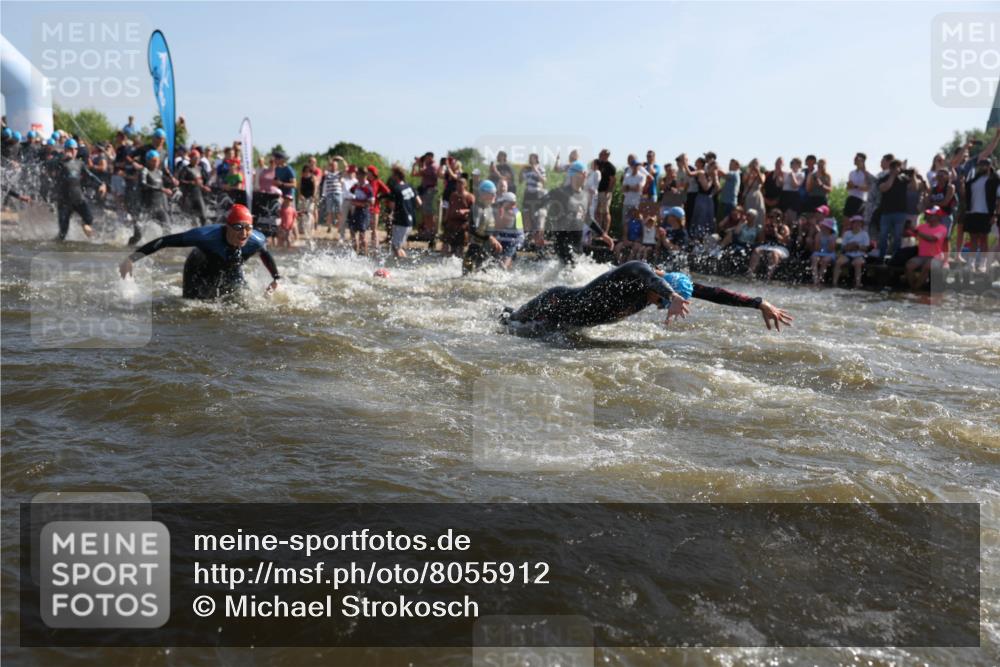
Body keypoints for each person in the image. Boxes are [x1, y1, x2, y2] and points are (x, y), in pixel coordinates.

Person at [501, 260, 793, 335]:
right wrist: (672, 296)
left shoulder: (663, 287)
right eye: (659, 300)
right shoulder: (636, 271)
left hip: (566, 326)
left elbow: (714, 293)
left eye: (662, 304)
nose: (656, 305)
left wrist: (758, 303)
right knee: (507, 325)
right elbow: (653, 279)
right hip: (554, 304)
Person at [119, 204, 281, 300]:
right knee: (192, 306)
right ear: (227, 227)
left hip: (231, 266)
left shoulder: (256, 240)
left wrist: (275, 278)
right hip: (198, 268)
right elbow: (165, 241)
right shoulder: (205, 236)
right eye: (238, 227)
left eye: (248, 228)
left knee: (241, 299)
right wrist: (131, 259)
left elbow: (265, 254)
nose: (244, 234)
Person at [540, 160, 614, 264]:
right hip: (563, 243)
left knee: (578, 267)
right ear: (577, 174)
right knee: (570, 267)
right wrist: (540, 228)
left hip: (577, 244)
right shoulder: (560, 192)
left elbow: (586, 217)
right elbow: (542, 206)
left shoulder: (584, 196)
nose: (586, 176)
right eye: (584, 173)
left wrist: (603, 234)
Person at [49, 138, 106, 240]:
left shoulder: (79, 163)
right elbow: (50, 164)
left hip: (78, 199)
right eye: (70, 149)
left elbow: (90, 175)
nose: (73, 151)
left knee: (89, 219)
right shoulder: (59, 163)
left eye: (75, 149)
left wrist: (101, 184)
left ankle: (84, 226)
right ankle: (53, 246)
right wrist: (61, 158)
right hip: (64, 201)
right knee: (63, 233)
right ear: (65, 150)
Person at [462, 180, 503, 274]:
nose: (495, 196)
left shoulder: (488, 208)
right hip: (474, 251)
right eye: (492, 193)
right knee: (467, 278)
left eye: (495, 193)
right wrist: (491, 238)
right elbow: (474, 228)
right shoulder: (477, 208)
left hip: (485, 250)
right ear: (484, 194)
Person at [904, 207, 950, 289]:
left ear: (938, 216)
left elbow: (931, 239)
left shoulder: (942, 229)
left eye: (931, 215)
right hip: (921, 256)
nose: (928, 216)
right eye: (928, 215)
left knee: (927, 266)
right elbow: (908, 234)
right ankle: (913, 287)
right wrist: (906, 227)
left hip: (936, 257)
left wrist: (915, 231)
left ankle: (916, 289)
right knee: (909, 266)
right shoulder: (922, 227)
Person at [387, 165, 420, 258]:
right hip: (410, 221)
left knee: (396, 247)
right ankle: (401, 263)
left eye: (393, 174)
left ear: (397, 176)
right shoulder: (410, 186)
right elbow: (419, 202)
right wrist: (410, 208)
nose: (392, 177)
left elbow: (392, 206)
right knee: (398, 246)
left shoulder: (395, 189)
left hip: (401, 221)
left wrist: (391, 214)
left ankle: (403, 264)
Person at [833, 215, 870, 288]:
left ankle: (857, 284)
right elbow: (843, 248)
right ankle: (834, 283)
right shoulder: (847, 233)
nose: (857, 224)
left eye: (859, 223)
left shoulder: (864, 234)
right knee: (838, 262)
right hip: (847, 254)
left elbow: (866, 248)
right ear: (852, 224)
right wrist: (850, 246)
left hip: (859, 255)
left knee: (858, 263)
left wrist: (857, 246)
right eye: (855, 222)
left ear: (861, 224)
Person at [176, 148, 210, 226]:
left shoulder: (200, 169)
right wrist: (191, 182)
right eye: (195, 158)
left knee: (204, 217)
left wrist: (204, 186)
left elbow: (203, 181)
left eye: (198, 158)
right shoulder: (186, 169)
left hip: (198, 195)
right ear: (191, 158)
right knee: (191, 219)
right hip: (188, 196)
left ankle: (203, 231)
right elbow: (180, 182)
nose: (197, 160)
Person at [443, 177, 474, 257]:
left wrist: (465, 211)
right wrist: (446, 219)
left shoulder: (470, 196)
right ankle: (446, 260)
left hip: (462, 224)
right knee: (447, 245)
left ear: (465, 185)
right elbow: (449, 207)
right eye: (458, 184)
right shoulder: (453, 195)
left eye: (461, 184)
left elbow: (474, 210)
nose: (459, 186)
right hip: (451, 223)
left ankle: (459, 260)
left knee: (460, 247)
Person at [810, 217, 838, 286]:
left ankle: (820, 279)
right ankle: (815, 279)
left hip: (830, 253)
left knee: (825, 260)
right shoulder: (819, 234)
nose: (824, 228)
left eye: (826, 227)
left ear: (829, 228)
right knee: (814, 258)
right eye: (823, 226)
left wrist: (830, 241)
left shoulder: (833, 236)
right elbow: (817, 248)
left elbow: (831, 250)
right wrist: (818, 239)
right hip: (819, 252)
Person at [595, 149, 616, 233]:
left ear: (607, 155)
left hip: (605, 192)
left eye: (603, 154)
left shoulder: (610, 167)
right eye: (600, 154)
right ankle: (598, 231)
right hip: (597, 191)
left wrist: (608, 191)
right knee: (598, 212)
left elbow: (613, 180)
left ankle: (605, 232)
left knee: (606, 212)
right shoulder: (597, 164)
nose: (601, 155)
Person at [844, 153, 869, 221]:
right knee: (846, 221)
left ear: (862, 161)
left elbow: (868, 188)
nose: (854, 160)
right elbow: (848, 188)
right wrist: (849, 186)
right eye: (854, 158)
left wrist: (855, 186)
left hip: (859, 200)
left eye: (857, 158)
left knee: (857, 221)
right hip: (850, 199)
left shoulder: (866, 174)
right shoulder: (851, 173)